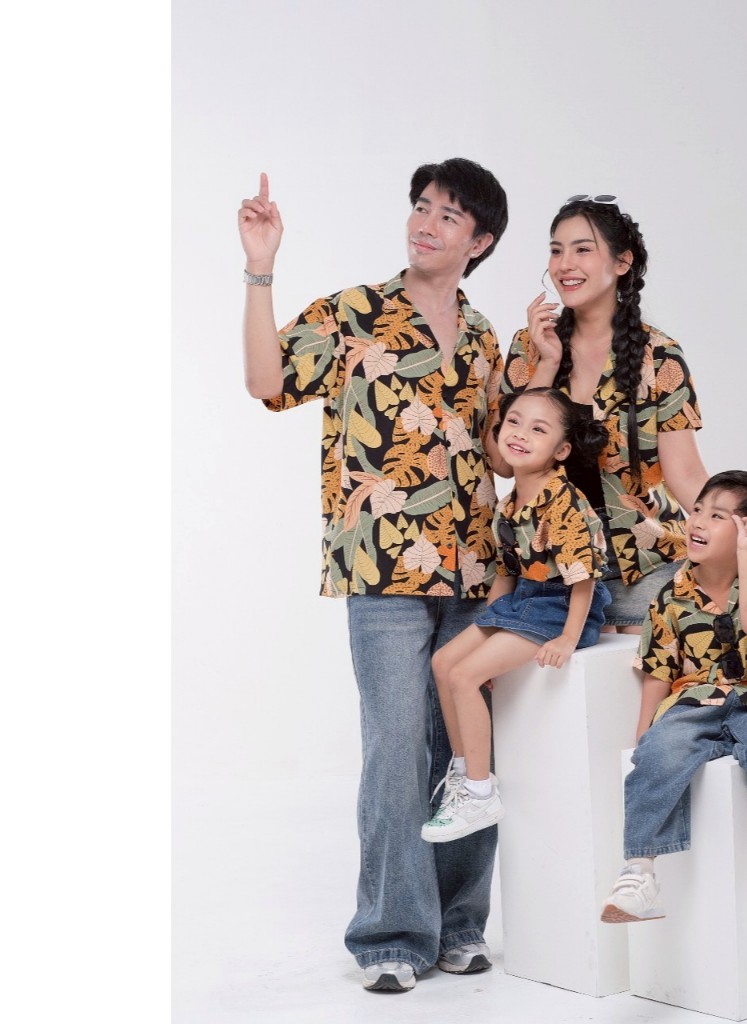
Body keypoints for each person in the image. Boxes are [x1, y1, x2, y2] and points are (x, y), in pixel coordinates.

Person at [237, 158, 509, 993]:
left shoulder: (486, 335)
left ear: (480, 241)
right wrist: (260, 269)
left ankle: (459, 924)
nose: (426, 223)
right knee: (395, 747)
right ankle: (392, 933)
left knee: (465, 756)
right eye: (421, 206)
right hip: (382, 567)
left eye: (448, 215)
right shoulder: (352, 312)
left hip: (475, 570)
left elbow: (500, 453)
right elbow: (266, 382)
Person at [500, 196, 747, 631]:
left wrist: (746, 555)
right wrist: (547, 363)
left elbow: (685, 474)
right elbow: (506, 463)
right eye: (556, 250)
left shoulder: (660, 356)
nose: (564, 264)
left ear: (622, 262)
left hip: (646, 564)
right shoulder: (530, 345)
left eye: (582, 249)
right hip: (553, 571)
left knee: (658, 666)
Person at [599, 471, 747, 928]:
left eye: (718, 516)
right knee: (660, 754)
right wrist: (643, 734)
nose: (698, 521)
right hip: (694, 700)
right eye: (698, 509)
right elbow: (658, 669)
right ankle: (639, 875)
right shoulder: (669, 597)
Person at [421, 387, 611, 843]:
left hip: (561, 606)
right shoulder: (509, 504)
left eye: (538, 429)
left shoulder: (563, 501)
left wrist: (568, 638)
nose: (521, 434)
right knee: (444, 663)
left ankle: (480, 793)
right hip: (523, 599)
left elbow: (582, 577)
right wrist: (487, 630)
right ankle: (464, 772)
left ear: (561, 450)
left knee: (464, 676)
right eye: (514, 422)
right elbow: (507, 573)